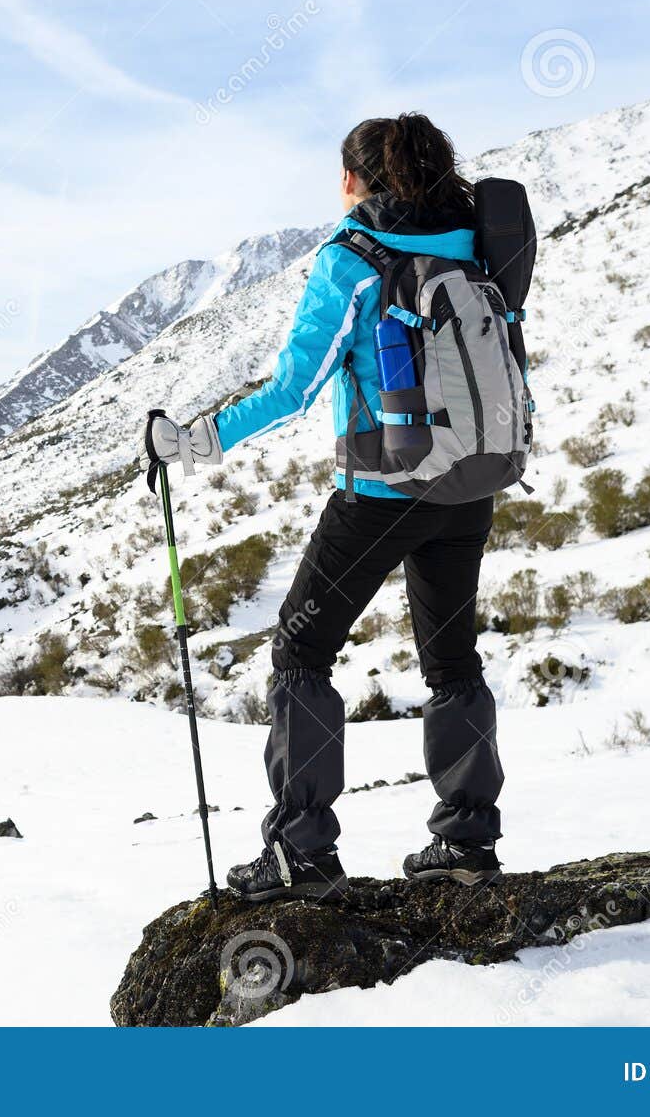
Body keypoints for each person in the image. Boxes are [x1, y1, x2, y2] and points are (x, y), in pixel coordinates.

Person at [145, 113, 506, 901]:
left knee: (301, 656)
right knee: (452, 664)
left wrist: (192, 442)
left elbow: (293, 389)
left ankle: (302, 850)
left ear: (353, 180)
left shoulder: (353, 260)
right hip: (472, 487)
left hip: (383, 493)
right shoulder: (477, 241)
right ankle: (468, 839)